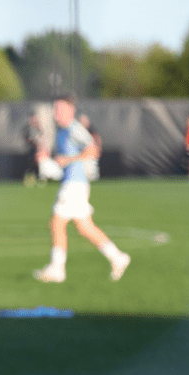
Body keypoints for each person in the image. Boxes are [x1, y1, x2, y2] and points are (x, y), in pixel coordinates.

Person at [34, 94, 130, 284]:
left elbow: (93, 151)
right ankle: (117, 257)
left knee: (57, 223)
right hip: (73, 184)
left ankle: (57, 269)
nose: (56, 113)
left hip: (75, 185)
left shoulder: (74, 129)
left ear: (71, 110)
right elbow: (66, 160)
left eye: (60, 109)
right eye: (55, 109)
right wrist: (49, 160)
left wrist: (68, 160)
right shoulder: (62, 131)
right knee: (85, 228)